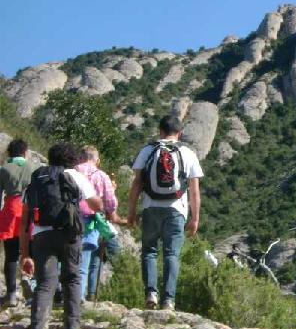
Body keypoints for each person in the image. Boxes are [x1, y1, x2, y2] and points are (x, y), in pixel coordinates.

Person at [20, 142, 102, 329]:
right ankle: (72, 327)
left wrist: (25, 254)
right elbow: (96, 205)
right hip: (69, 233)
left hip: (41, 235)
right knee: (72, 278)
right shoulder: (73, 175)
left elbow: (24, 218)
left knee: (45, 284)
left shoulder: (37, 178)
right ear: (72, 159)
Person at [128, 115, 202, 311]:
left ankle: (151, 293)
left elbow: (136, 184)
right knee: (171, 255)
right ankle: (168, 300)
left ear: (160, 131)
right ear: (180, 133)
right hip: (176, 210)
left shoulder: (147, 150)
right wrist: (195, 219)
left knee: (149, 252)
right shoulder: (187, 153)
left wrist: (132, 212)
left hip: (150, 208)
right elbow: (194, 190)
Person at [75, 145, 125, 301]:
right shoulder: (102, 176)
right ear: (97, 160)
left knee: (67, 259)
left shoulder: (72, 171)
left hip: (70, 218)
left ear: (80, 157)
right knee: (85, 261)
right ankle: (79, 298)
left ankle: (60, 293)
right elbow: (110, 203)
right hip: (91, 221)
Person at [0, 139, 37, 307]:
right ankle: (31, 286)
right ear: (25, 152)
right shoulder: (33, 168)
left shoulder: (4, 169)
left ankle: (11, 294)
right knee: (31, 251)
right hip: (29, 210)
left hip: (11, 209)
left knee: (11, 254)